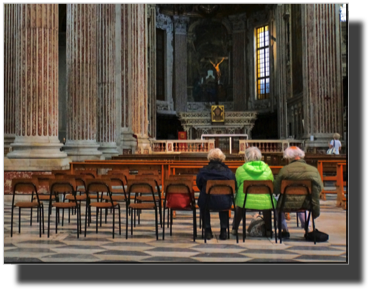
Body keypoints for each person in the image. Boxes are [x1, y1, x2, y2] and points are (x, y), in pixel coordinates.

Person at [274, 146, 323, 238]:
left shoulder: (284, 170)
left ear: (288, 157)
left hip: (285, 203)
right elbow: (319, 187)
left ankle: (284, 230)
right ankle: (307, 229)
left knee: (276, 203)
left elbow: (276, 189)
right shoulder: (313, 170)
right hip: (306, 203)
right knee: (302, 202)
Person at [232, 146, 277, 237]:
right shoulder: (267, 169)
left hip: (245, 201)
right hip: (265, 200)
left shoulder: (240, 170)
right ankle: (268, 230)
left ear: (246, 157)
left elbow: (236, 186)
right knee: (266, 206)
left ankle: (234, 229)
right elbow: (271, 184)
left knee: (239, 207)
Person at [196, 148, 236, 240]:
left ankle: (207, 231)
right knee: (223, 199)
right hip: (224, 202)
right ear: (222, 158)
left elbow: (199, 184)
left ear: (209, 158)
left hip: (207, 201)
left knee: (203, 202)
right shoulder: (228, 172)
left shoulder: (204, 171)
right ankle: (223, 231)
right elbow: (233, 185)